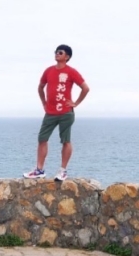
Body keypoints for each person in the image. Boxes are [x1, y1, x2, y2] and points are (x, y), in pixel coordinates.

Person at [23, 45, 90, 181]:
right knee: (42, 138)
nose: (57, 54)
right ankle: (39, 170)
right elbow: (41, 87)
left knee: (66, 140)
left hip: (66, 113)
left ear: (67, 57)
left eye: (60, 52)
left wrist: (76, 103)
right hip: (50, 113)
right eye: (56, 52)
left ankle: (62, 171)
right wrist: (44, 103)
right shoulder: (48, 71)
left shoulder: (72, 72)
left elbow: (85, 88)